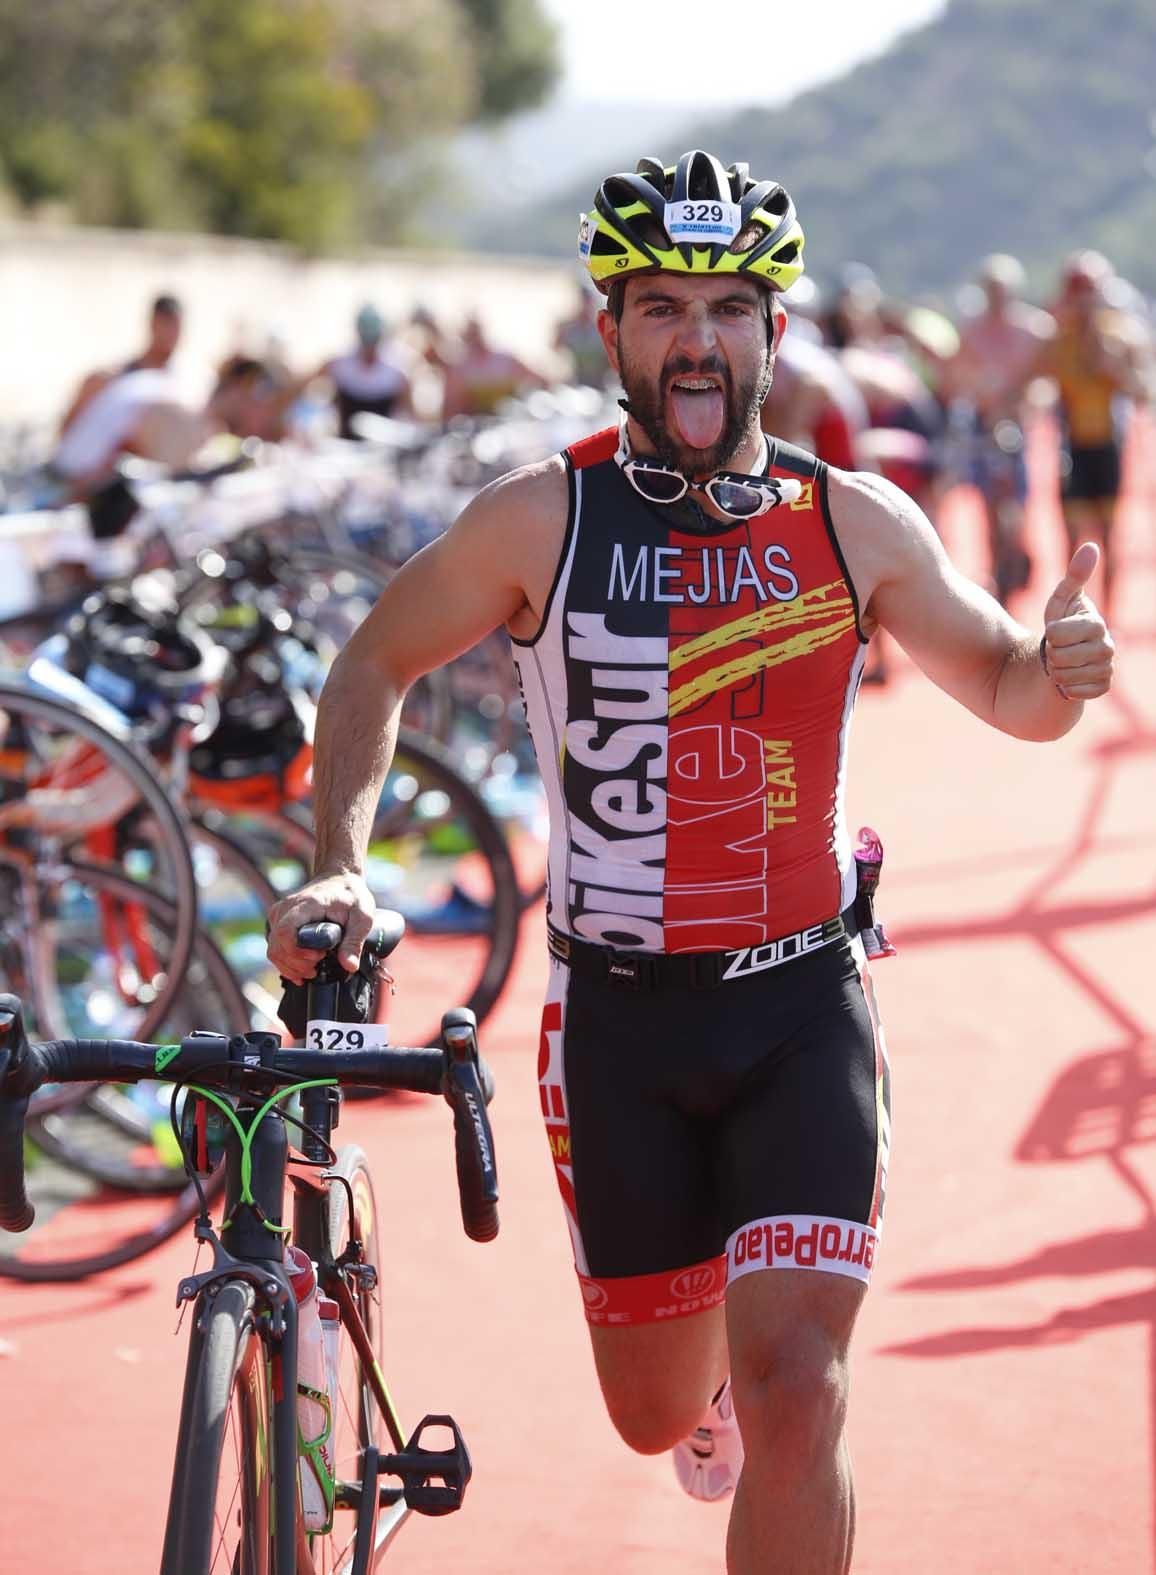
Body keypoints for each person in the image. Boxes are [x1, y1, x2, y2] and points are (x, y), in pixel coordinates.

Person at [266, 150, 1115, 1575]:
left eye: (730, 306)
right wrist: (342, 863)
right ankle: (701, 1379)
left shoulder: (852, 519)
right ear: (612, 332)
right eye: (662, 307)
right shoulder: (542, 515)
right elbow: (370, 667)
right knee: (654, 1409)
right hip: (618, 1017)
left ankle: (761, 1372)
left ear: (775, 332)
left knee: (805, 1389)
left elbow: (1011, 689)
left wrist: (1063, 663)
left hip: (803, 1006)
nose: (699, 338)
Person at [1038, 250, 1149, 619]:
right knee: (1072, 537)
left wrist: (1111, 364)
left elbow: (1141, 392)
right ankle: (1073, 613)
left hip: (1108, 445)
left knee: (1108, 534)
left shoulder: (1121, 334)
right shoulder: (1058, 339)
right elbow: (1032, 380)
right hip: (1073, 446)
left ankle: (1110, 616)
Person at [942, 254, 1055, 604]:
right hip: (983, 425)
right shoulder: (972, 332)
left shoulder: (1034, 330)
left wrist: (1024, 404)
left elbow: (1047, 381)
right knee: (988, 503)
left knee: (1016, 503)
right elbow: (954, 379)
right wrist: (980, 394)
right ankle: (997, 571)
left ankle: (1017, 556)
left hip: (1016, 427)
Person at [58, 293, 185, 437]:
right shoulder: (109, 379)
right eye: (166, 325)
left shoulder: (183, 384)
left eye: (176, 327)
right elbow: (67, 431)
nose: (171, 335)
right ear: (152, 324)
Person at [323, 304, 416, 439]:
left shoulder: (396, 371)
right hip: (347, 446)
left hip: (385, 447)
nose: (369, 346)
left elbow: (410, 415)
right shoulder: (340, 365)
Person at [440, 313, 545, 420]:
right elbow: (451, 406)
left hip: (508, 419)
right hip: (476, 423)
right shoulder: (460, 367)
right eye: (471, 335)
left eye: (475, 334)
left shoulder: (505, 360)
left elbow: (540, 379)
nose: (474, 340)